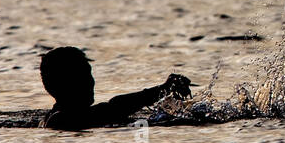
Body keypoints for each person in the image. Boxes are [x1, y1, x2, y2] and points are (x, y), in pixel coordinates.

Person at [39, 46, 191, 130]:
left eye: (89, 74)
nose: (91, 82)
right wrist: (161, 90)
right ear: (67, 83)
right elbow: (113, 108)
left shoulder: (54, 117)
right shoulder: (60, 119)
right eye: (83, 76)